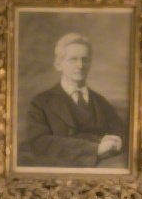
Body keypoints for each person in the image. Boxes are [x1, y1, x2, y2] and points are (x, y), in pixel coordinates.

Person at [20, 32, 128, 168]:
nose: (80, 65)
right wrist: (95, 148)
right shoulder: (41, 102)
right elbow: (39, 142)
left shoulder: (100, 102)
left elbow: (122, 134)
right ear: (58, 65)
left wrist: (118, 141)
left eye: (85, 59)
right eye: (73, 59)